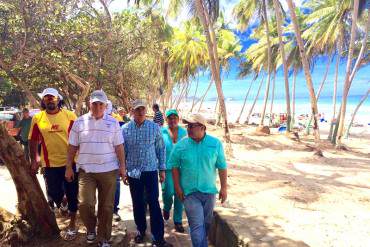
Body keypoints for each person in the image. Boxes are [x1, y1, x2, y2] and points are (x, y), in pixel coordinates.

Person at [65, 90, 126, 247]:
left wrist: (122, 167)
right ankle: (91, 228)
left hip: (109, 171)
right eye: (94, 104)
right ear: (89, 105)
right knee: (85, 204)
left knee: (106, 207)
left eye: (101, 104)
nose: (97, 107)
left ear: (105, 106)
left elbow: (119, 146)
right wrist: (68, 168)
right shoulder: (79, 122)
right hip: (87, 171)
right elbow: (72, 146)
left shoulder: (113, 123)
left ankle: (103, 238)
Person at [168, 113, 228, 247]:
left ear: (202, 127)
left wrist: (224, 187)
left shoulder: (215, 144)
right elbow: (174, 165)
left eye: (192, 126)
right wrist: (177, 187)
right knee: (196, 226)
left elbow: (222, 166)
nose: (188, 129)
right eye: (188, 126)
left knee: (205, 225)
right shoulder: (181, 145)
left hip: (209, 192)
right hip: (189, 193)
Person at [28, 88, 78, 240]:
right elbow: (33, 140)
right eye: (46, 97)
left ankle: (72, 225)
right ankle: (62, 201)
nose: (50, 99)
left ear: (58, 99)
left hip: (70, 162)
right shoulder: (37, 118)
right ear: (43, 100)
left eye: (52, 97)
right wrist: (34, 159)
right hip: (49, 164)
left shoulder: (70, 116)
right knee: (54, 193)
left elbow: (78, 138)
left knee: (72, 194)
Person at [122, 99, 172, 247]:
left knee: (154, 203)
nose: (141, 112)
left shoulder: (154, 128)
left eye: (143, 109)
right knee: (137, 203)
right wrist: (123, 171)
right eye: (137, 109)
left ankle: (158, 237)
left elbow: (160, 149)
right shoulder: (124, 129)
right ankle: (141, 231)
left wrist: (162, 169)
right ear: (132, 111)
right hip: (133, 172)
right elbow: (122, 152)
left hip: (150, 170)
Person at [161, 109, 187, 233]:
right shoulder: (161, 132)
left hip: (182, 169)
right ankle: (166, 207)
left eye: (174, 117)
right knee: (168, 192)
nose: (172, 120)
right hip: (166, 169)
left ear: (178, 118)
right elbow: (158, 150)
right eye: (170, 118)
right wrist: (160, 169)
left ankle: (177, 221)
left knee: (180, 195)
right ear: (166, 120)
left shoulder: (184, 132)